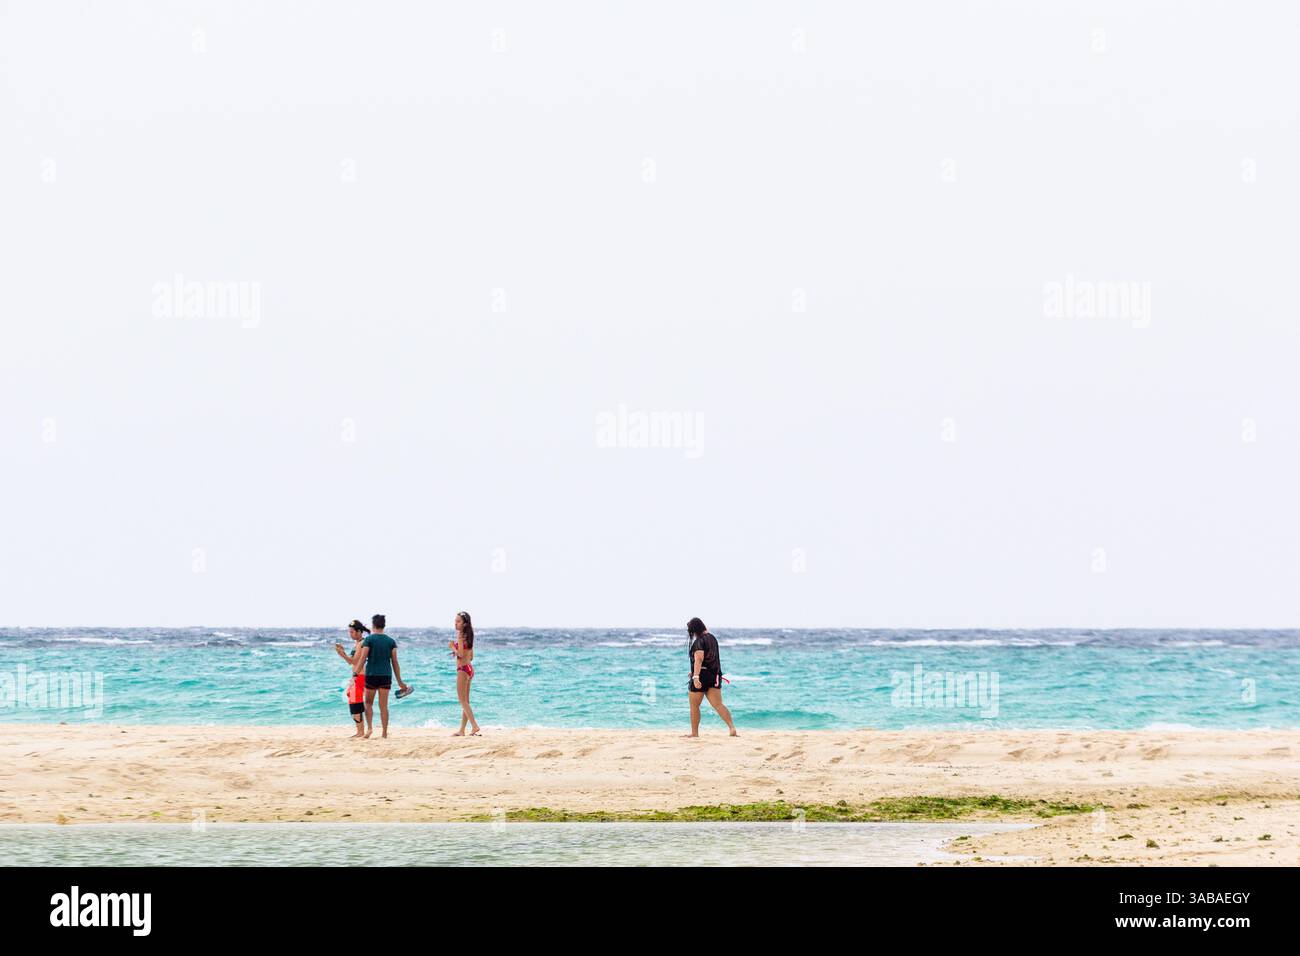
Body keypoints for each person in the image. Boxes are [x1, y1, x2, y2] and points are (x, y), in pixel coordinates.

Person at [352, 613, 409, 739]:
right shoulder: (391, 641)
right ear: (384, 625)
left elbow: (363, 658)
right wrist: (400, 681)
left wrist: (356, 673)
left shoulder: (369, 640)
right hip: (385, 676)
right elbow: (395, 663)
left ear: (373, 625)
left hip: (372, 675)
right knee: (383, 706)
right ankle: (384, 733)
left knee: (368, 703)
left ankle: (370, 728)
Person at [685, 617, 737, 737]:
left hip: (702, 677)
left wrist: (696, 676)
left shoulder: (699, 641)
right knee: (718, 705)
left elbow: (699, 659)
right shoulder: (713, 638)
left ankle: (694, 733)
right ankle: (732, 728)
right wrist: (693, 672)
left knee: (694, 705)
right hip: (714, 676)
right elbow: (710, 659)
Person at [334, 619, 370, 738]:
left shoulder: (361, 643)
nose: (350, 634)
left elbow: (354, 661)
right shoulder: (358, 643)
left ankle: (360, 732)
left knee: (355, 702)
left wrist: (342, 654)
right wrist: (343, 654)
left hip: (360, 676)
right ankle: (360, 731)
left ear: (359, 631)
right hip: (358, 676)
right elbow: (352, 661)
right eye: (349, 632)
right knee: (354, 700)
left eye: (352, 632)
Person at [448, 611, 481, 737]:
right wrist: (458, 651)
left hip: (462, 669)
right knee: (466, 701)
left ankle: (474, 725)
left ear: (464, 624)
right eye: (455, 621)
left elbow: (461, 654)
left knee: (462, 701)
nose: (455, 624)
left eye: (458, 621)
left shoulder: (461, 636)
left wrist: (452, 647)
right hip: (469, 668)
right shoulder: (469, 636)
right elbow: (470, 656)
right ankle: (462, 730)